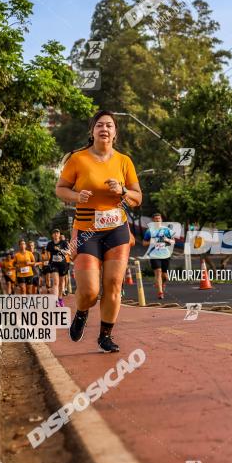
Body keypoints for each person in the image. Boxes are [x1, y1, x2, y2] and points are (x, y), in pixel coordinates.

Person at [56, 109, 142, 353]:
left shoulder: (124, 161)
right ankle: (82, 313)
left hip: (117, 230)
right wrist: (76, 195)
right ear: (92, 132)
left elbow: (137, 197)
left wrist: (123, 191)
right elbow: (60, 189)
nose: (104, 129)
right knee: (90, 291)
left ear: (115, 133)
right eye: (99, 125)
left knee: (114, 284)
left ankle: (105, 335)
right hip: (86, 231)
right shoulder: (78, 159)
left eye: (109, 126)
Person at [143, 212, 174, 300]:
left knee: (165, 276)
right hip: (154, 255)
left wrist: (166, 239)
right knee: (158, 272)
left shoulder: (166, 230)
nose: (157, 220)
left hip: (165, 255)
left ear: (161, 220)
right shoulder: (149, 231)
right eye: (155, 219)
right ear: (153, 220)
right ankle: (160, 292)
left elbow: (172, 242)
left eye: (159, 219)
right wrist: (151, 242)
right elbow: (144, 243)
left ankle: (162, 283)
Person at [45, 229, 70, 306]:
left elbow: (69, 252)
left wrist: (60, 250)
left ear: (59, 234)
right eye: (54, 233)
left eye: (57, 233)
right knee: (55, 282)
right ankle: (55, 300)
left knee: (61, 283)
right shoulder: (50, 244)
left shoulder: (64, 243)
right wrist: (47, 260)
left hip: (62, 264)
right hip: (53, 265)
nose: (56, 234)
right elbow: (47, 254)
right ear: (52, 235)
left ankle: (60, 298)